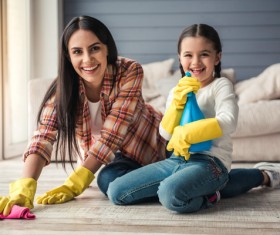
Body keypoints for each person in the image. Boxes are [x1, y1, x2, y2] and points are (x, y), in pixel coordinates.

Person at [0, 15, 170, 216]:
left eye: (95, 48)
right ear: (68, 56)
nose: (87, 59)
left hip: (160, 145)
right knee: (107, 180)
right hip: (123, 160)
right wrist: (25, 185)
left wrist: (75, 183)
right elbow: (42, 137)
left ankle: (180, 176)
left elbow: (112, 135)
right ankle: (173, 181)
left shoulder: (129, 71)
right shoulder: (62, 91)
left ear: (107, 48)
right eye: (77, 52)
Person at [106, 24, 280, 213]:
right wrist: (176, 104)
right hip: (176, 160)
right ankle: (198, 187)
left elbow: (229, 121)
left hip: (211, 163)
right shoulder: (176, 91)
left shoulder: (220, 86)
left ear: (217, 57)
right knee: (116, 192)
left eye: (204, 54)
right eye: (188, 55)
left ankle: (214, 192)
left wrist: (188, 133)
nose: (196, 62)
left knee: (169, 194)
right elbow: (165, 133)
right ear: (180, 58)